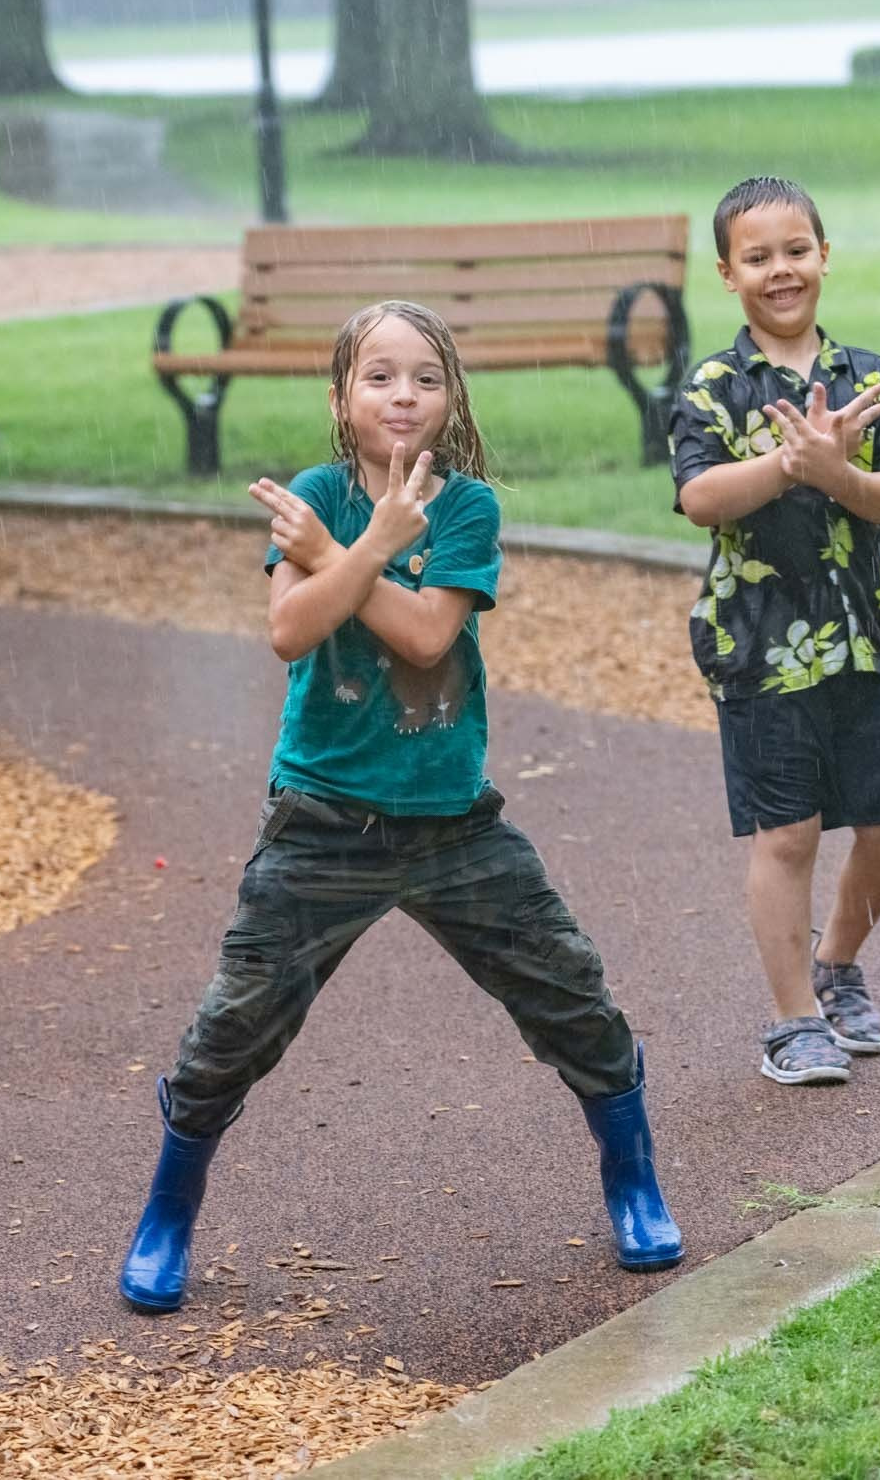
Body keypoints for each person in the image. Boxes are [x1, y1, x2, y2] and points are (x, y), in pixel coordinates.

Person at [119, 299, 682, 1314]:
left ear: (452, 397)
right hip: (323, 820)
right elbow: (290, 631)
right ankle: (168, 1213)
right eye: (378, 376)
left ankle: (632, 1181)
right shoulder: (314, 495)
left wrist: (349, 553)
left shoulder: (467, 508)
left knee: (572, 994)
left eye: (425, 377)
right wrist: (367, 542)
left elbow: (427, 638)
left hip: (452, 822)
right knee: (232, 1029)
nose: (403, 395)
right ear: (342, 398)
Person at [669, 176, 880, 1087]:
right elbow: (700, 496)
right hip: (759, 648)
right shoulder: (714, 385)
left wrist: (839, 475)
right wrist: (789, 465)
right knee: (787, 834)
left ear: (825, 255)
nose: (780, 270)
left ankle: (836, 964)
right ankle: (792, 1020)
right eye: (757, 257)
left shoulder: (871, 379)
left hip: (861, 639)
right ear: (726, 274)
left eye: (795, 251)